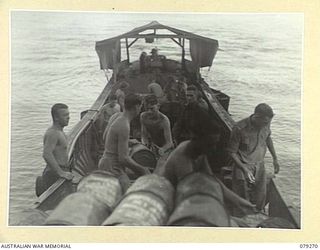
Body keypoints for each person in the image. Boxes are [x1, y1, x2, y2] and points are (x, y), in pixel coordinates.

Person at [155, 110, 255, 214]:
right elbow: (190, 196)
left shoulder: (199, 152)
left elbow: (212, 181)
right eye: (211, 144)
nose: (214, 148)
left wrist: (239, 201)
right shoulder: (182, 158)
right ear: (199, 140)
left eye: (215, 144)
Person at [227, 103, 280, 213]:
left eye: (268, 121)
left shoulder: (266, 123)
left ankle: (257, 215)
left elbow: (267, 138)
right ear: (257, 116)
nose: (267, 124)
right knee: (241, 198)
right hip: (242, 165)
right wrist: (244, 169)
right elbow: (231, 152)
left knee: (261, 195)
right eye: (265, 122)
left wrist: (275, 158)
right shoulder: (239, 128)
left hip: (259, 165)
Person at [98, 94, 150, 190]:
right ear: (136, 107)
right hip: (113, 167)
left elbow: (105, 137)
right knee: (126, 193)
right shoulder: (124, 125)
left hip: (104, 162)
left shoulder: (116, 116)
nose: (140, 110)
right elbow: (123, 159)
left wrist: (127, 142)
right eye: (141, 107)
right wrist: (143, 170)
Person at [36, 103, 74, 196]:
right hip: (53, 174)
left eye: (68, 114)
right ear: (56, 118)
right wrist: (61, 172)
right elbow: (46, 154)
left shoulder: (60, 131)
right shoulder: (53, 133)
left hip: (62, 170)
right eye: (65, 115)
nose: (68, 117)